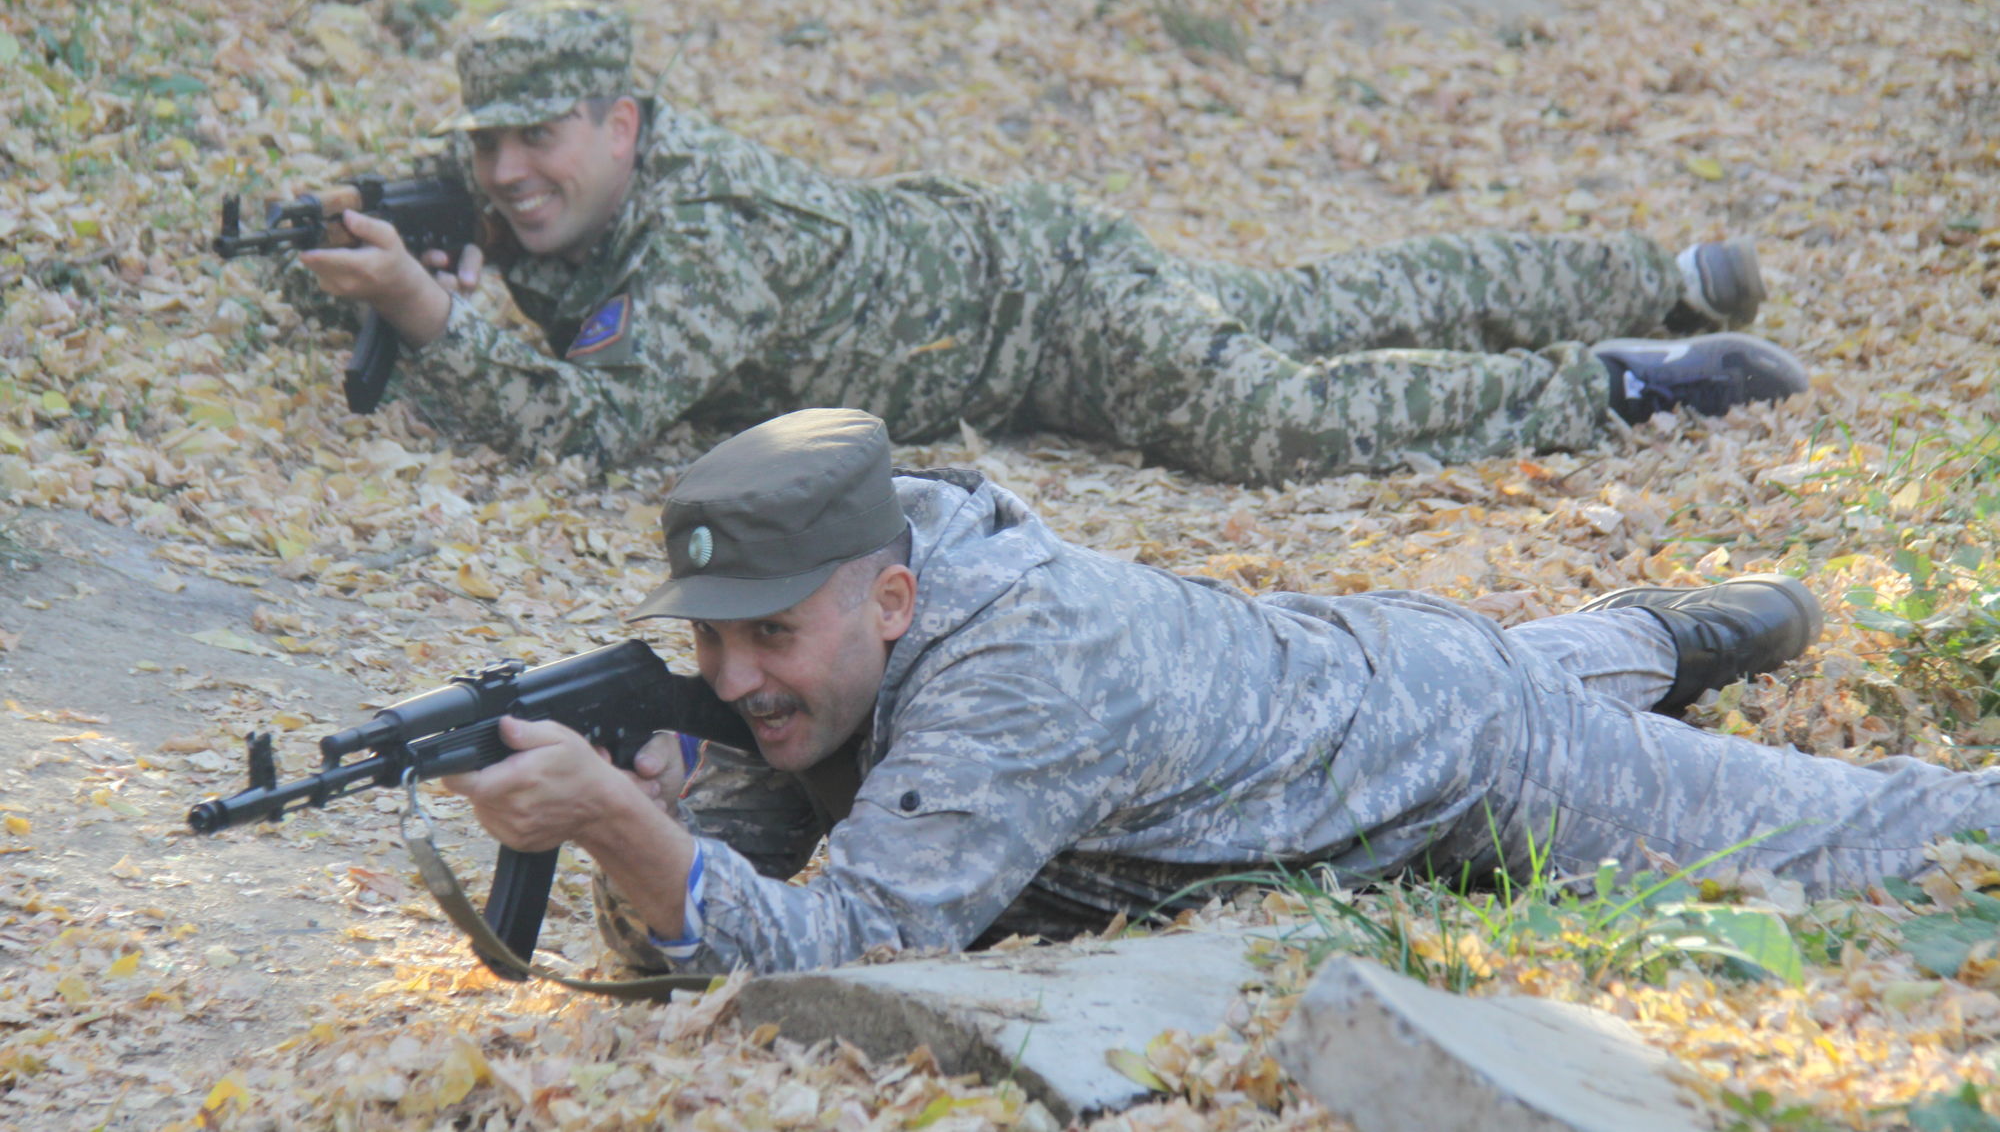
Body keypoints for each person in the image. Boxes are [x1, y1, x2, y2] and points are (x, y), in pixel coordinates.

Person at [442, 408, 2000, 977]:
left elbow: (844, 940)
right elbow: (744, 868)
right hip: (1335, 662)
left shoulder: (1015, 676)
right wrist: (669, 811)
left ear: (891, 601)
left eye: (768, 638)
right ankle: (1649, 634)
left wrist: (621, 830)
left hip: (1453, 754)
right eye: (709, 642)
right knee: (1467, 658)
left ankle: (1638, 652)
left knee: (1870, 837)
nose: (732, 680)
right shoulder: (859, 599)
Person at [291, 0, 1809, 487]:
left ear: (623, 123)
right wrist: (420, 244)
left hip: (1049, 306)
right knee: (1316, 303)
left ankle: (1622, 379)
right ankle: (1660, 269)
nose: (506, 173)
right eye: (484, 146)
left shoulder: (710, 238)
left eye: (537, 140)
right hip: (1008, 285)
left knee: (1273, 419)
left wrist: (433, 319)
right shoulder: (574, 187)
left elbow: (589, 434)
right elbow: (521, 245)